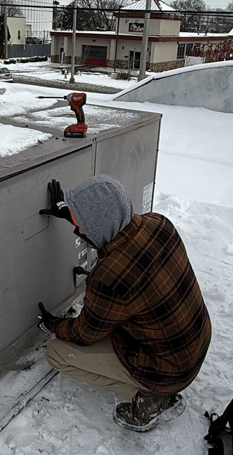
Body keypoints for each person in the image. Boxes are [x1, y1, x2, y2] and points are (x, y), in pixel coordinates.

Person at [38, 174, 212, 432]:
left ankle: (152, 399)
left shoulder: (110, 275)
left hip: (168, 371)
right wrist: (71, 214)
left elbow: (83, 334)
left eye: (81, 224)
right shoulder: (159, 223)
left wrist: (53, 324)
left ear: (97, 226)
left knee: (56, 353)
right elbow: (111, 230)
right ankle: (158, 390)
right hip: (194, 347)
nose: (80, 231)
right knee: (121, 317)